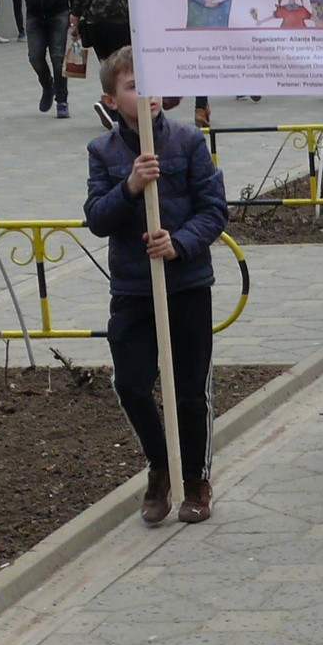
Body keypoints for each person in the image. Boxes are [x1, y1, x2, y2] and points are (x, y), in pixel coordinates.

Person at [83, 47, 229, 524]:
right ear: (111, 98)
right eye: (131, 86)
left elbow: (214, 210)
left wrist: (179, 243)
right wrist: (128, 187)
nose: (144, 93)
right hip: (133, 289)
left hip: (185, 284)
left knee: (190, 389)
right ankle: (160, 465)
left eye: (150, 83)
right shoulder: (103, 152)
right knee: (130, 383)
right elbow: (97, 220)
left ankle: (197, 479)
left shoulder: (187, 142)